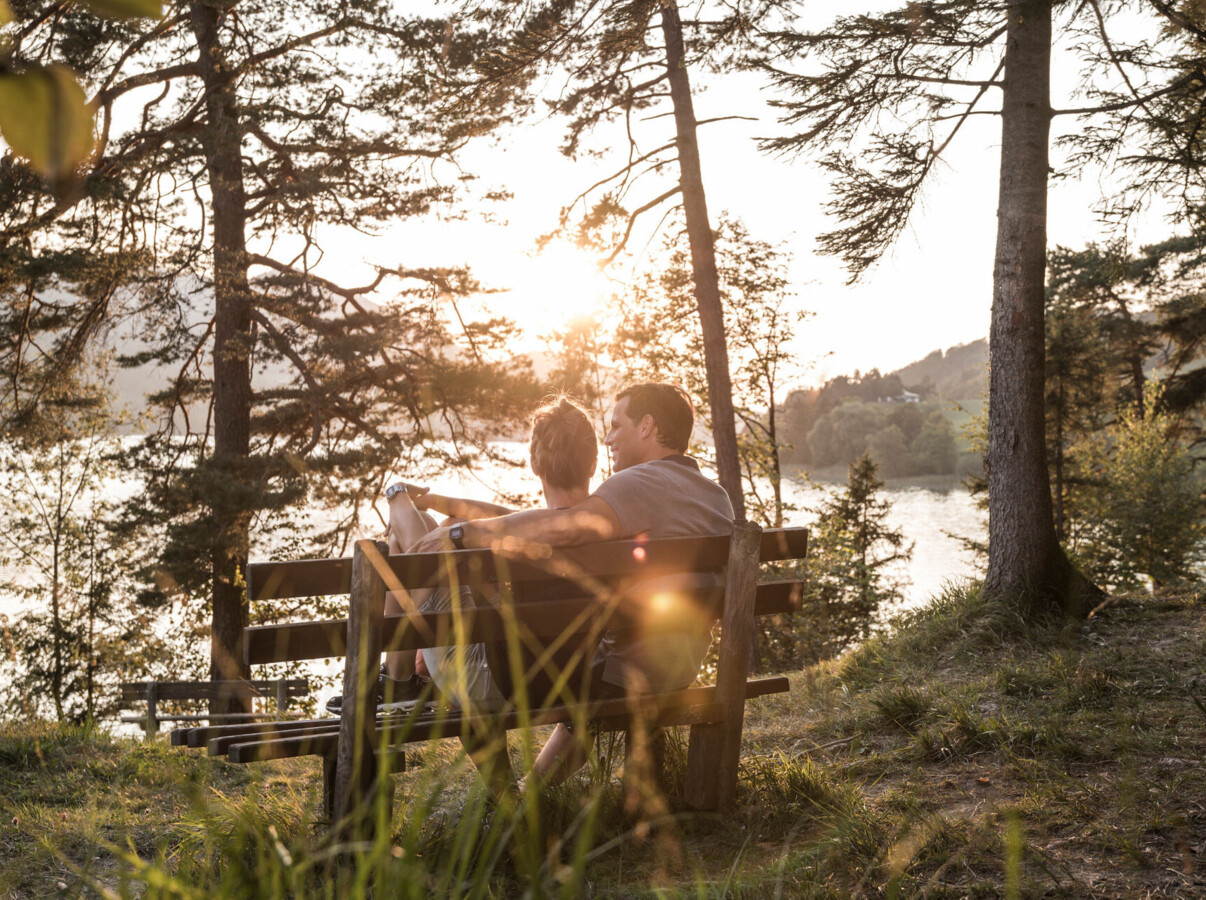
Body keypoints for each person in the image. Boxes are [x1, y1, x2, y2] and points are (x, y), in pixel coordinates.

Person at [411, 381, 735, 787]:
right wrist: (458, 511)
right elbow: (550, 518)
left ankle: (402, 684)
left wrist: (461, 534)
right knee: (585, 679)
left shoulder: (639, 483)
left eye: (617, 425)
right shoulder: (713, 496)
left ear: (648, 426)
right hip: (676, 668)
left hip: (617, 675)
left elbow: (562, 525)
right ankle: (528, 794)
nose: (611, 437)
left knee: (566, 673)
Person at [334, 395, 601, 714]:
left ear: (533, 464)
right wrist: (439, 502)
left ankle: (397, 676)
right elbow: (509, 514)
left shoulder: (534, 529)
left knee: (404, 515)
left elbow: (508, 518)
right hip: (570, 685)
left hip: (490, 683)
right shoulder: (601, 527)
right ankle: (398, 677)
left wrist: (396, 493)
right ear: (593, 463)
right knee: (443, 526)